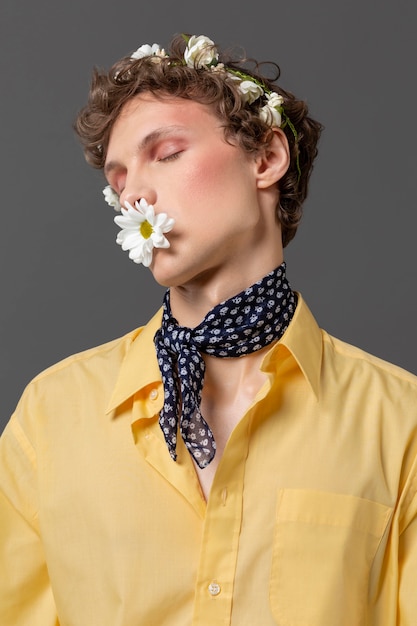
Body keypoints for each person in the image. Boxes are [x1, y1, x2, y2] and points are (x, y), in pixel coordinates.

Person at [0, 33, 416, 626]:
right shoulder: (48, 416)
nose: (135, 195)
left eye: (166, 153)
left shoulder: (402, 425)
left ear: (266, 158)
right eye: (118, 183)